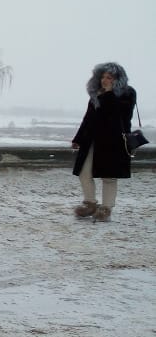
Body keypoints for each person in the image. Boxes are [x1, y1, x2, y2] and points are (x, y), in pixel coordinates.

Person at [70, 62, 137, 222]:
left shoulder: (127, 93)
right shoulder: (96, 94)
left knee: (109, 176)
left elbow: (122, 115)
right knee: (84, 172)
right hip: (92, 140)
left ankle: (106, 208)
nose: (104, 80)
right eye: (103, 77)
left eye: (109, 77)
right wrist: (78, 138)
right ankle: (90, 204)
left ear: (117, 79)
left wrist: (109, 94)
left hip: (113, 142)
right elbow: (88, 118)